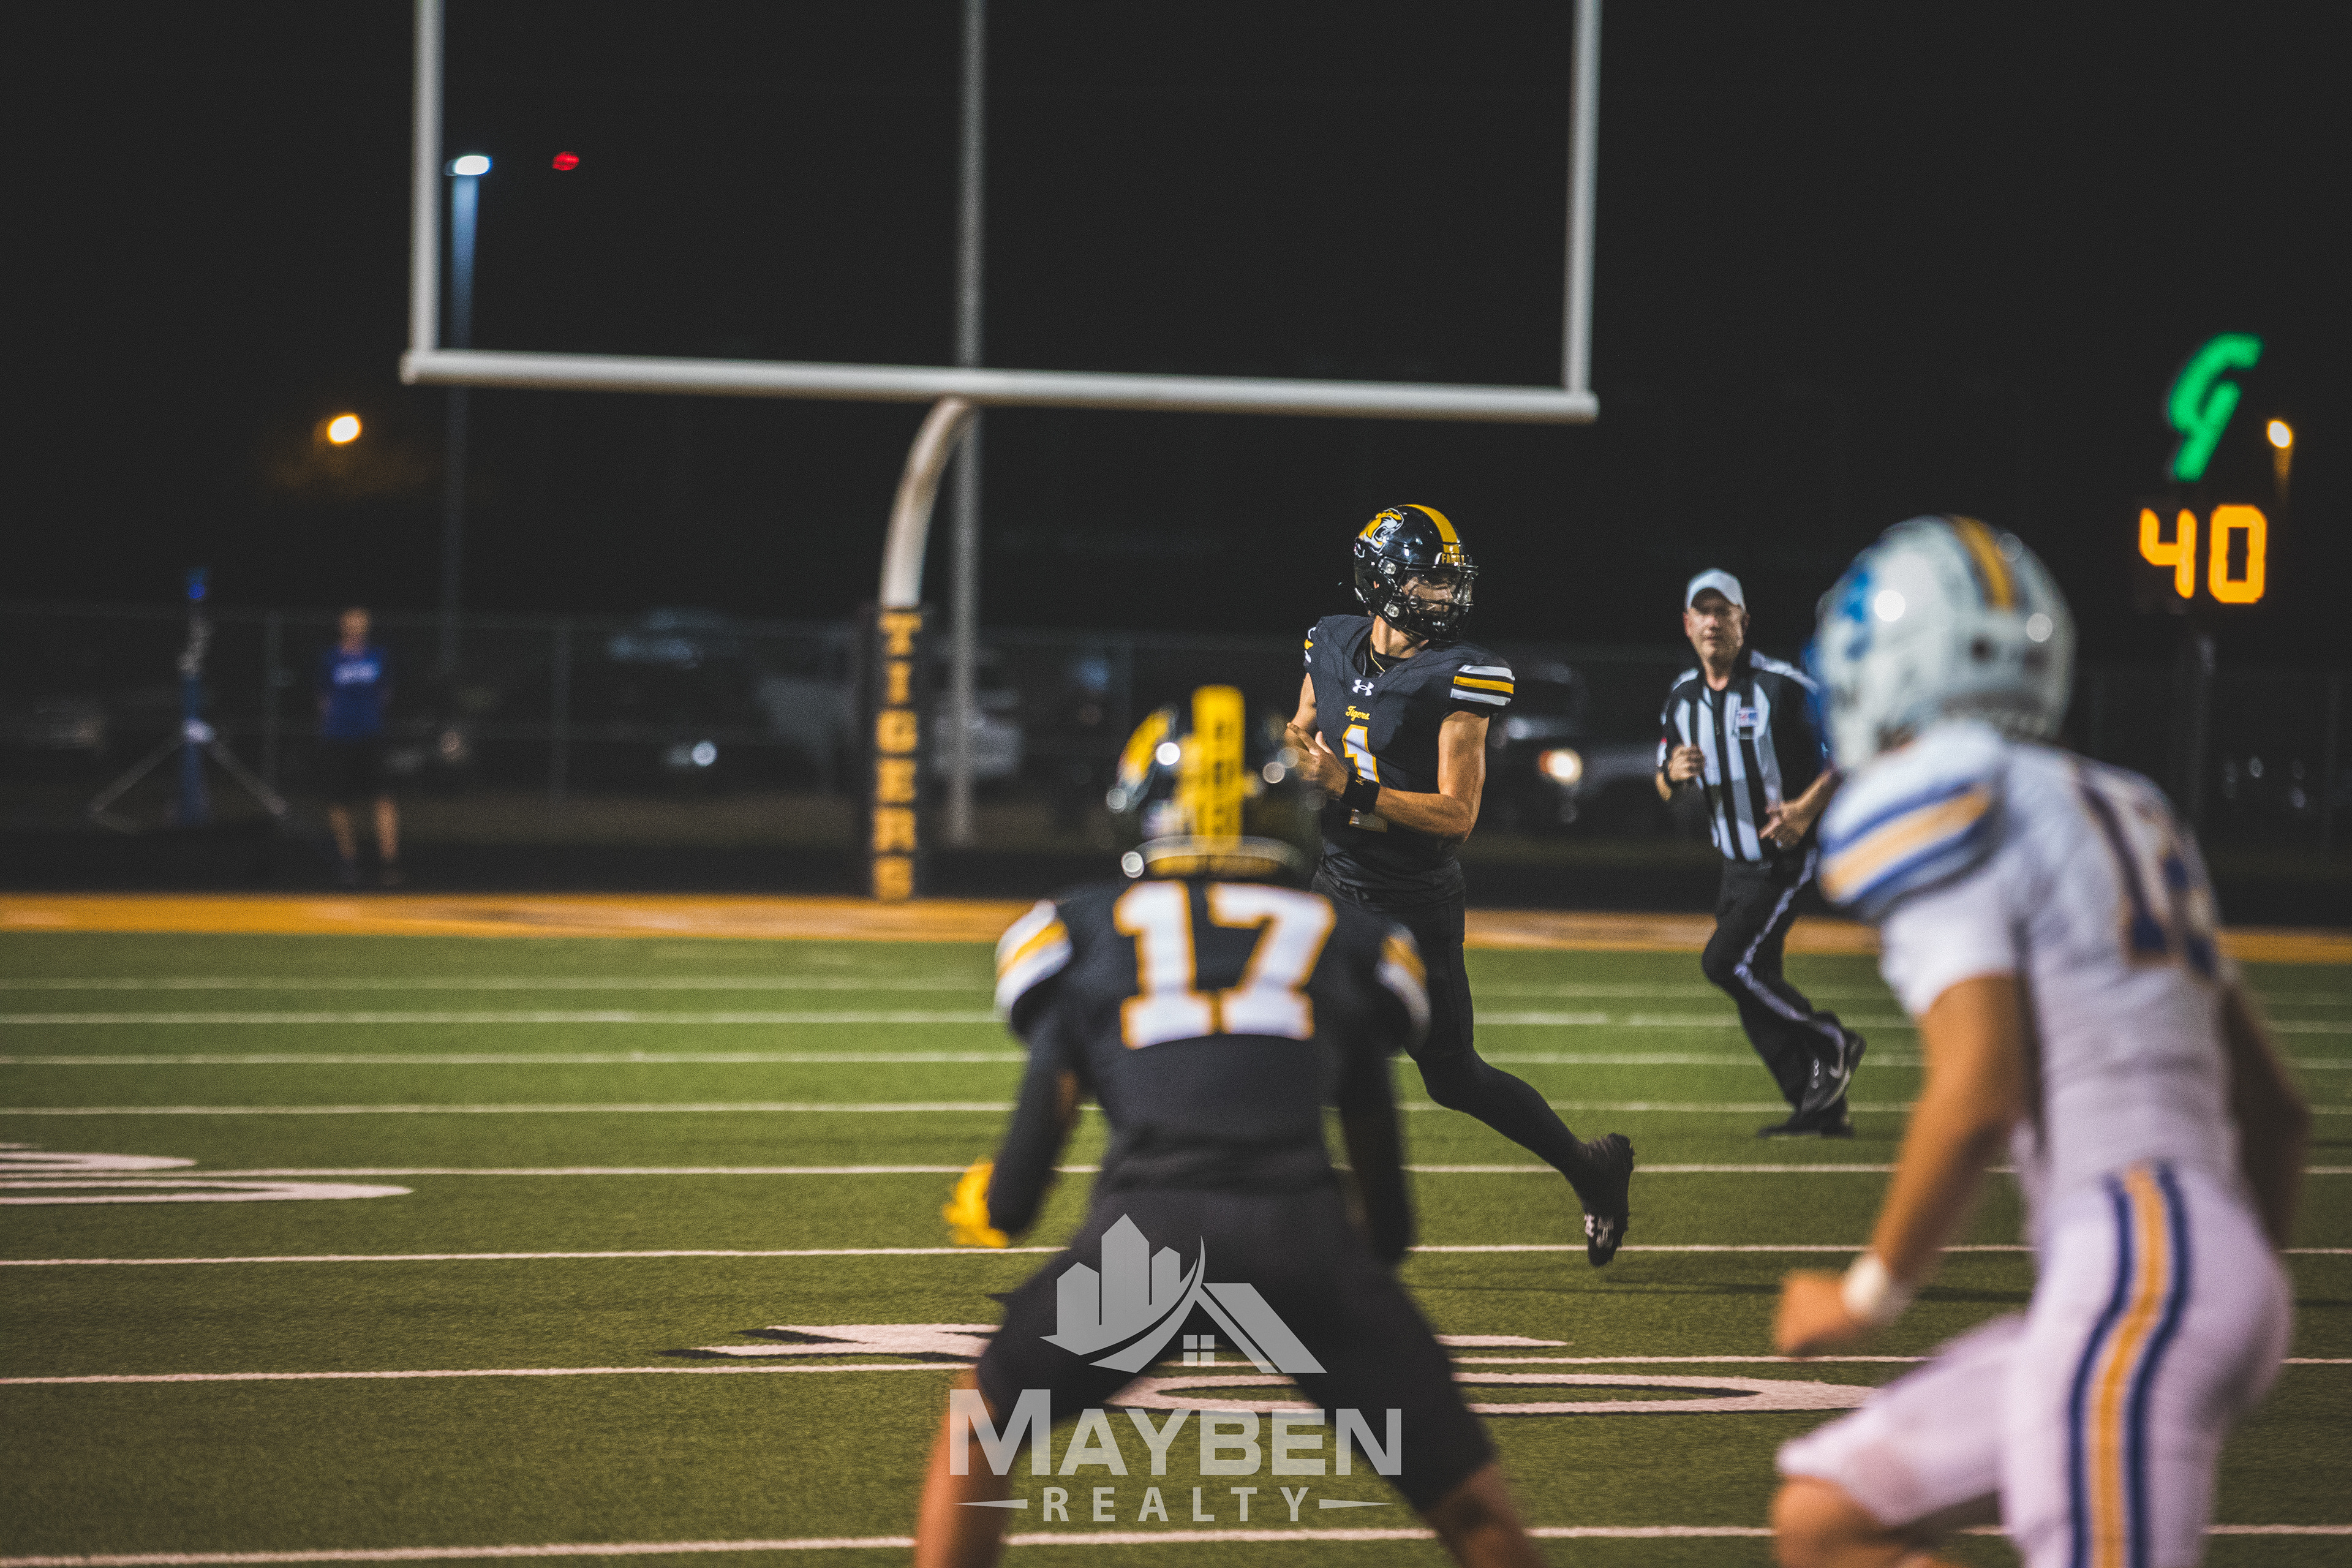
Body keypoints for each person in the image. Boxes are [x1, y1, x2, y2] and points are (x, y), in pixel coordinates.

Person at [1769, 515, 2309, 1568]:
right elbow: (2277, 1116)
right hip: (2189, 1265)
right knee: (1827, 1519)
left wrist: (1867, 1292)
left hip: (2137, 1262)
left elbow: (1979, 1089)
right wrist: (2234, 1295)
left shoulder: (1946, 797)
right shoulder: (2126, 803)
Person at [913, 766, 1545, 1568]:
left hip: (1149, 1247)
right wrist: (1337, 1290)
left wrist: (996, 1200)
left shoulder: (1080, 929)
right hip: (1302, 1236)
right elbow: (1390, 1223)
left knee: (980, 1429)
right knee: (1473, 1510)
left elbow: (1015, 1197)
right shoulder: (1352, 938)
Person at [1284, 505, 1633, 1265]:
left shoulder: (1461, 673)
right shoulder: (1332, 639)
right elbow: (1301, 724)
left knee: (1452, 1077)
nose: (1444, 596)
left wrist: (1349, 787)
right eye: (1428, 581)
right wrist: (1296, 762)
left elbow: (1457, 815)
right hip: (1331, 884)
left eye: (1450, 582)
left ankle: (1591, 1166)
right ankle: (1295, 1217)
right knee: (1296, 1043)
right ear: (1381, 582)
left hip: (1411, 901)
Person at [1656, 568, 1863, 1136]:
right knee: (1753, 983)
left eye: (1723, 612)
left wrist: (1806, 810)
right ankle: (1819, 1105)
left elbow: (1849, 750)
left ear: (1743, 622)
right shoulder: (1682, 699)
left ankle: (1831, 1039)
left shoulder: (1782, 687)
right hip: (1734, 864)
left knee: (1725, 963)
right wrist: (1672, 775)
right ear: (1687, 624)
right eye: (1703, 612)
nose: (1713, 623)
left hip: (1784, 858)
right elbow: (1662, 778)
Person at [315, 606, 401, 886]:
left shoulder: (379, 656)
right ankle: (348, 858)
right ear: (342, 625)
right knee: (339, 799)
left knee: (383, 796)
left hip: (372, 735)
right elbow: (323, 696)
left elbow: (386, 691)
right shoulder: (330, 658)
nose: (356, 627)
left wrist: (369, 716)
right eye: (351, 622)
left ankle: (389, 862)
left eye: (361, 622)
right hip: (338, 737)